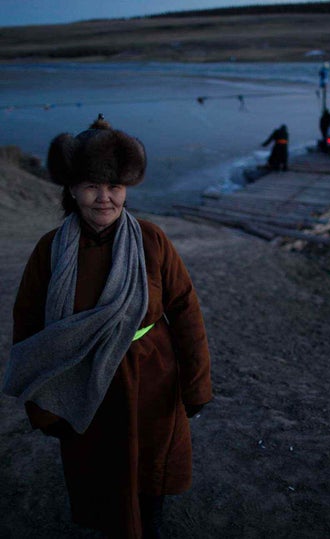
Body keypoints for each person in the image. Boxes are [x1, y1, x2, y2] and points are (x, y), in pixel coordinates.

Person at [2, 115, 213, 538]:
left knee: (149, 482)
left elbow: (186, 311)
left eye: (115, 187)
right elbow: (28, 327)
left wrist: (196, 385)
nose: (105, 198)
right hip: (84, 389)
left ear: (126, 191)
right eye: (93, 186)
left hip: (152, 383)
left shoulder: (152, 242)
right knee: (100, 482)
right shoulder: (51, 252)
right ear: (72, 190)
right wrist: (41, 401)